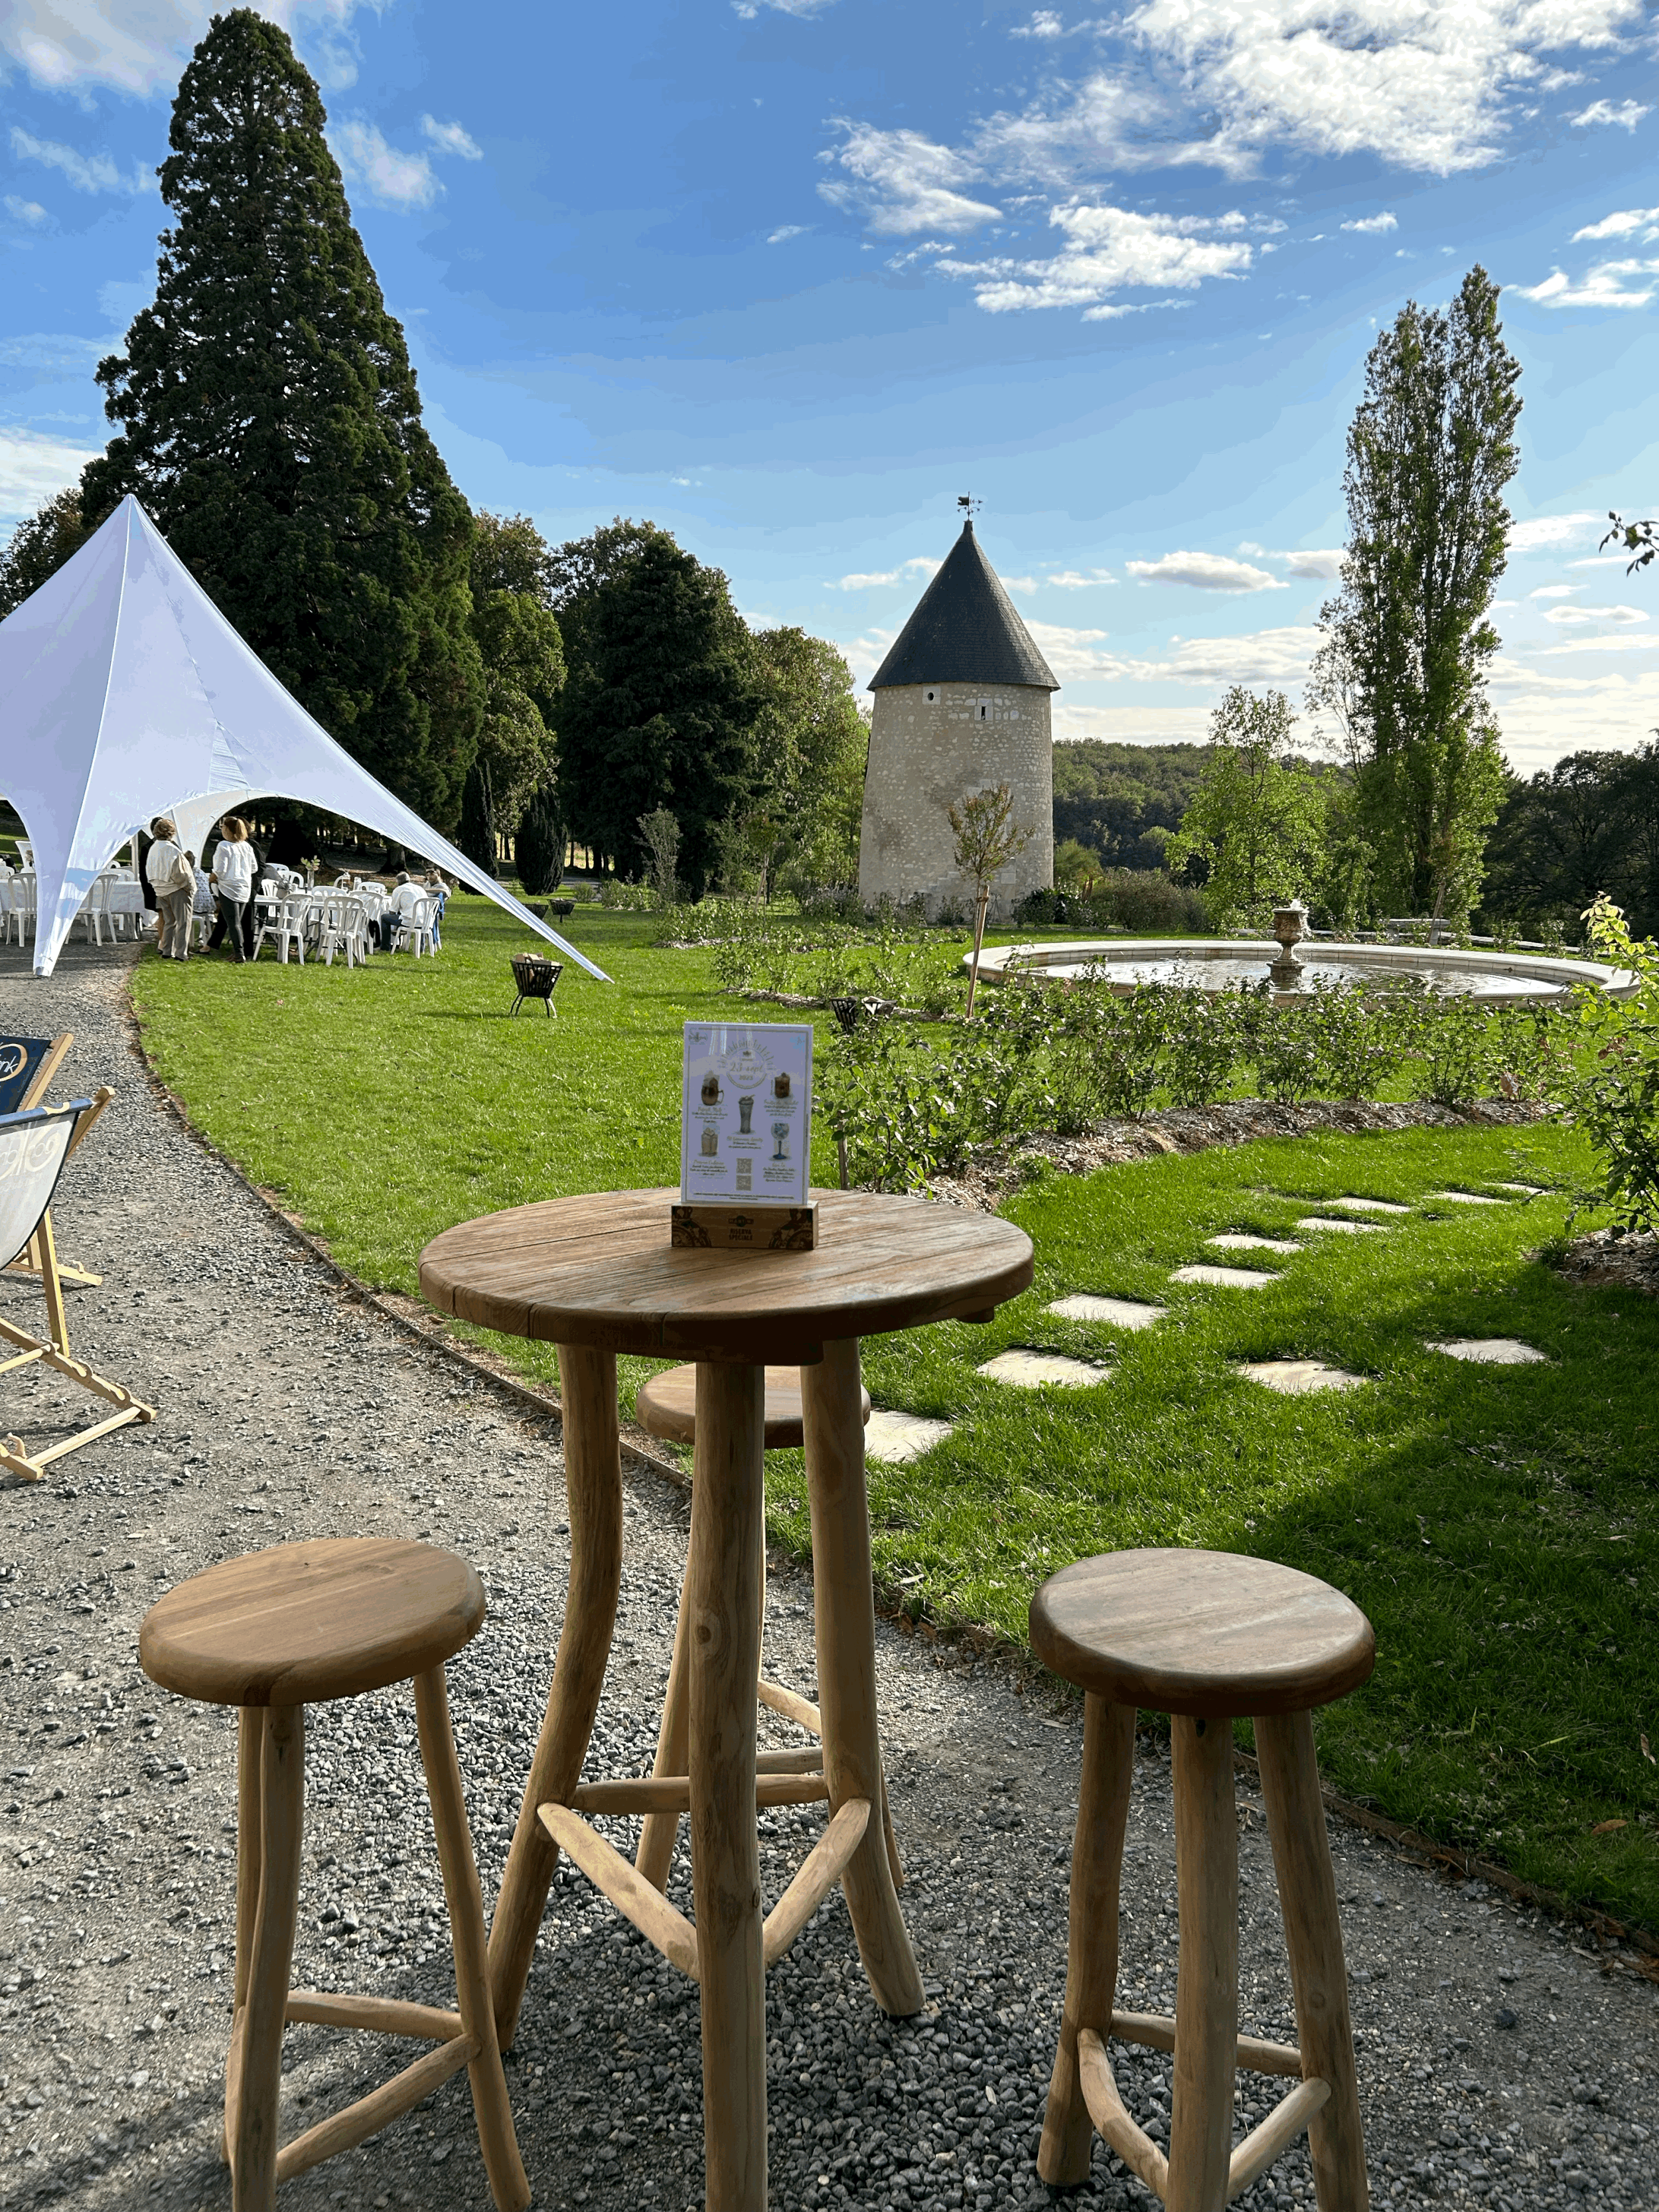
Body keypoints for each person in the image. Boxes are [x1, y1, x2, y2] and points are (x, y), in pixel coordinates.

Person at [144, 816, 194, 960]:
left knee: (169, 922)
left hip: (160, 890)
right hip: (176, 889)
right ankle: (180, 953)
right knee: (183, 922)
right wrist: (189, 887)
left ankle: (166, 950)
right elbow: (180, 874)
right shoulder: (172, 850)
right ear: (171, 833)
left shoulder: (153, 849)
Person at [208, 816, 256, 964]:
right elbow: (254, 868)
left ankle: (238, 953)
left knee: (233, 923)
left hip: (229, 887)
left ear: (228, 830)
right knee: (237, 922)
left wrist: (210, 879)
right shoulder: (246, 846)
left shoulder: (224, 846)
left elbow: (220, 870)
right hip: (244, 887)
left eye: (223, 827)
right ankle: (238, 951)